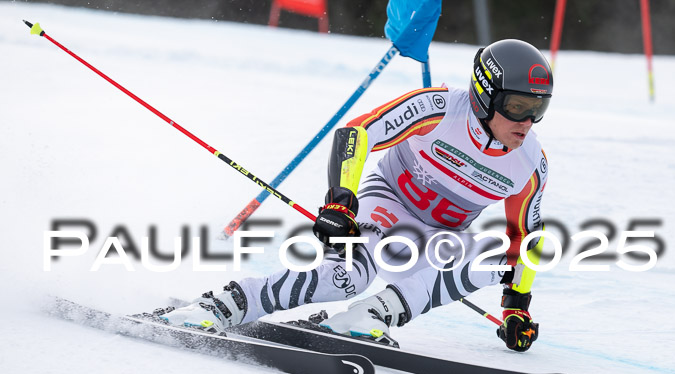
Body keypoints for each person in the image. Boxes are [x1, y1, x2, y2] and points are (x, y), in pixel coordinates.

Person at [161, 39, 553, 352]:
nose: (526, 122)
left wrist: (517, 306)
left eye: (538, 109)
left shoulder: (530, 164)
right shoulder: (437, 108)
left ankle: (368, 316)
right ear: (486, 95)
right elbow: (357, 133)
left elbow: (527, 238)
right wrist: (340, 200)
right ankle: (221, 306)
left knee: (505, 256)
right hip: (385, 209)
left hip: (432, 244)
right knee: (344, 277)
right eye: (517, 106)